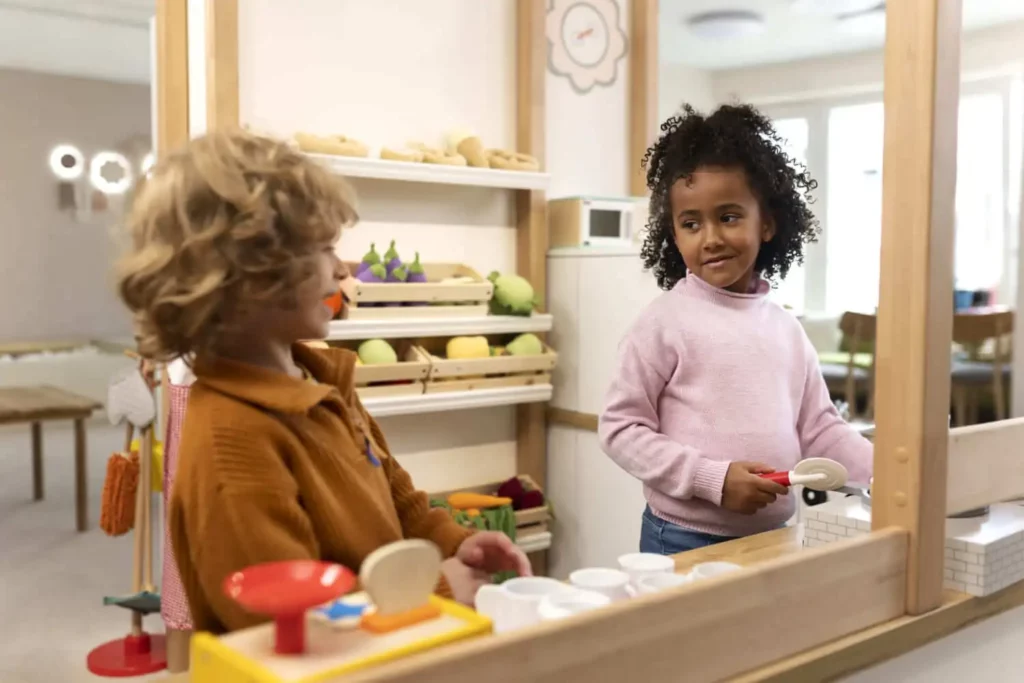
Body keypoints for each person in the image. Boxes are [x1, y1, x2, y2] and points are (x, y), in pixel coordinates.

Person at [116, 129, 531, 633]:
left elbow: (393, 494)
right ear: (251, 277)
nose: (341, 269)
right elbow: (285, 623)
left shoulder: (319, 379)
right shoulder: (230, 441)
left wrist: (448, 538)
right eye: (324, 249)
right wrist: (436, 592)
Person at [599, 104, 872, 556]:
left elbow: (821, 429)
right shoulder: (663, 323)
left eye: (728, 217)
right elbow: (620, 429)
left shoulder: (786, 329)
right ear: (674, 233)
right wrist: (714, 480)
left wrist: (893, 474)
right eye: (691, 223)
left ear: (766, 222)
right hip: (682, 538)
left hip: (775, 535)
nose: (710, 238)